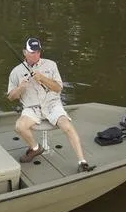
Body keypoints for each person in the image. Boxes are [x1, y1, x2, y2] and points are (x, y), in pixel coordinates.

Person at [6, 37, 94, 173]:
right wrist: (20, 88)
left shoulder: (51, 65)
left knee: (67, 127)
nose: (36, 55)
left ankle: (82, 162)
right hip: (32, 108)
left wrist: (42, 78)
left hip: (52, 105)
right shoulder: (15, 72)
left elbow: (58, 88)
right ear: (24, 52)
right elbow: (11, 97)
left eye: (38, 51)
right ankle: (35, 148)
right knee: (19, 126)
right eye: (32, 52)